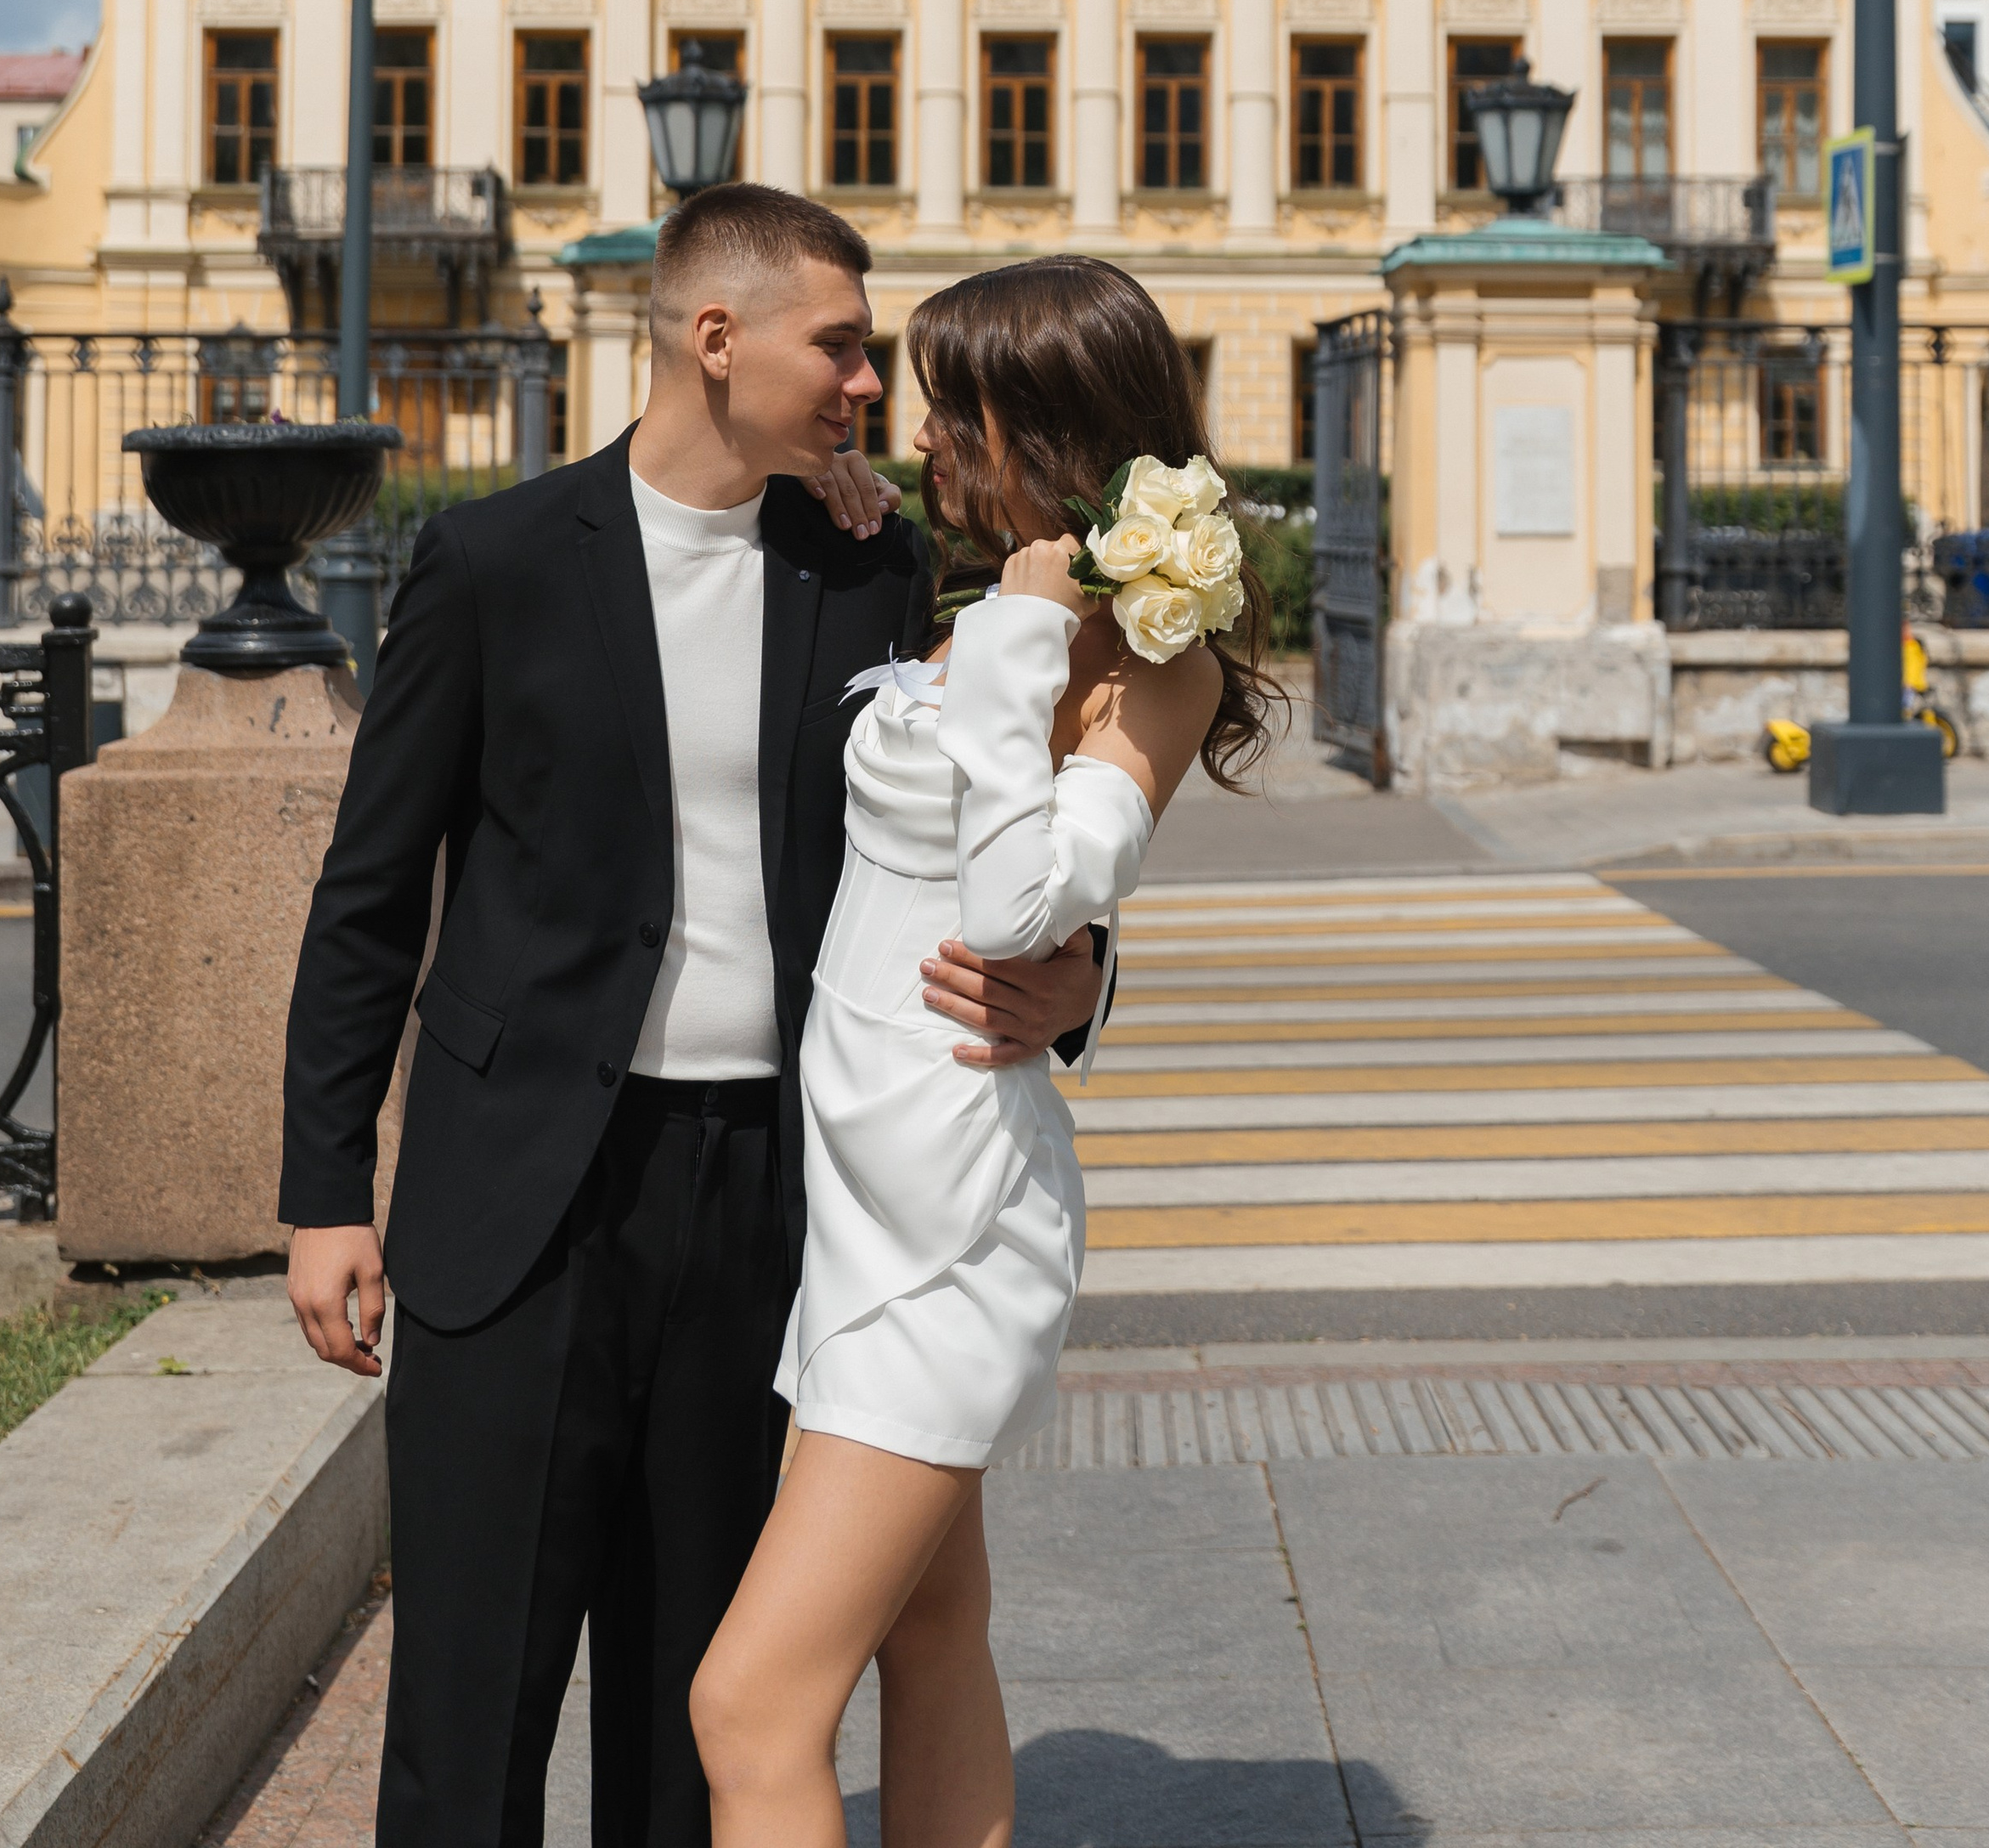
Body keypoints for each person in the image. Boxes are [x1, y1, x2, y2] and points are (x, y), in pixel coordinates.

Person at [278, 187, 1108, 1848]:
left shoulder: (870, 565)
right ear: (716, 341)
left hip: (767, 1199)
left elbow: (988, 825)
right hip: (518, 1195)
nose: (869, 384)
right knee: (468, 1701)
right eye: (842, 347)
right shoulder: (496, 563)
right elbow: (370, 893)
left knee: (694, 1708)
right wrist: (322, 1194)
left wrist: (1081, 980)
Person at [691, 254, 1270, 1848]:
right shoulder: (979, 602)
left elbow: (1019, 903)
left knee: (748, 1707)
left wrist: (1019, 637)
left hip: (951, 1220)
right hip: (858, 1189)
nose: (922, 432)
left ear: (1049, 428)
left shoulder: (1147, 664)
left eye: (956, 410)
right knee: (932, 1635)